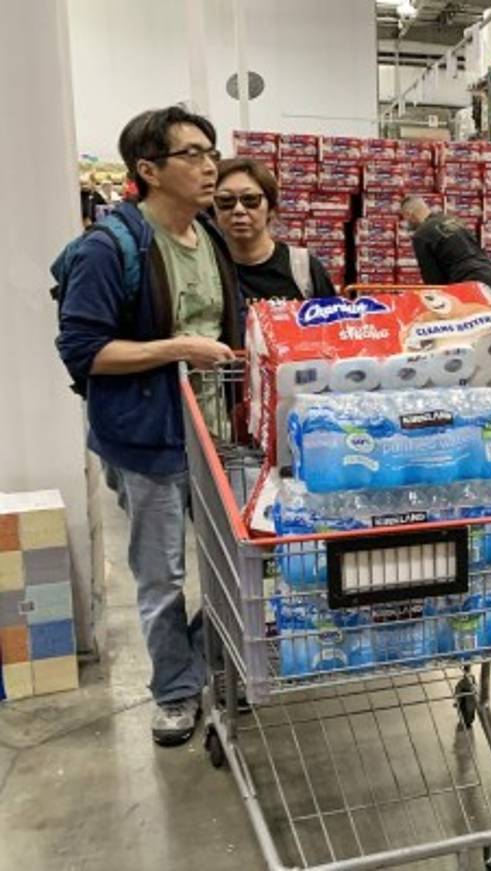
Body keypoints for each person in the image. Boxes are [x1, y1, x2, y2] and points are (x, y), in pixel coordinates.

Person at [56, 107, 243, 746]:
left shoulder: (209, 236)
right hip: (147, 439)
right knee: (162, 576)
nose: (209, 165)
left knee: (237, 565)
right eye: (192, 154)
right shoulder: (111, 248)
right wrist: (177, 348)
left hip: (216, 434)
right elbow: (84, 350)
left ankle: (203, 664)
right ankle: (175, 692)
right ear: (149, 170)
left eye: (212, 152)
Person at [214, 157, 336, 300]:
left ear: (271, 208)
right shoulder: (206, 270)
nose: (238, 210)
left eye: (250, 199)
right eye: (226, 200)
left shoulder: (304, 269)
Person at [399, 196, 491, 295]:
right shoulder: (453, 220)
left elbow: (433, 279)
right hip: (490, 277)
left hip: (467, 283)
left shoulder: (421, 235)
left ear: (409, 214)